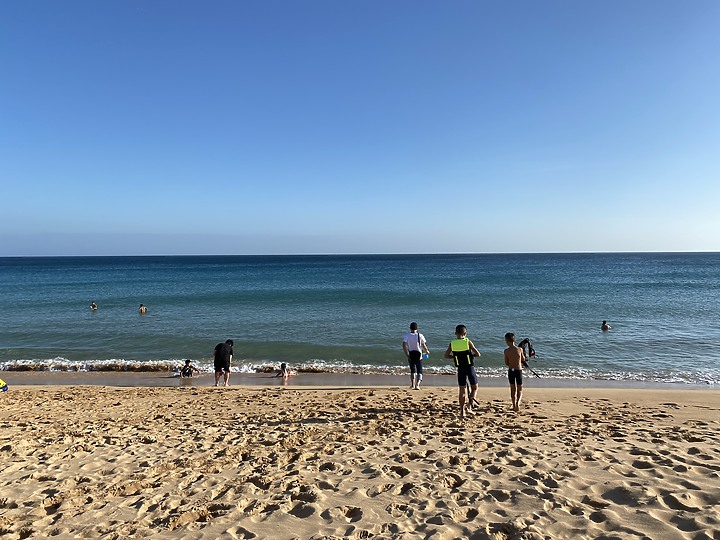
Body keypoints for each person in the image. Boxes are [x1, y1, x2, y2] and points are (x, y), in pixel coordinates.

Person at [444, 325, 481, 418]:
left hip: (460, 368)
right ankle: (469, 406)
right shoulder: (468, 342)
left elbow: (446, 356)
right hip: (469, 367)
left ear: (455, 333)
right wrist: (471, 356)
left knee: (462, 390)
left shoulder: (452, 343)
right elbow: (478, 354)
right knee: (475, 388)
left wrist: (455, 357)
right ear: (465, 333)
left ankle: (462, 411)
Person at [402, 322, 430, 390]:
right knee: (419, 370)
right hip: (418, 354)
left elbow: (404, 345)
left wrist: (406, 354)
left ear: (410, 328)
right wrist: (427, 351)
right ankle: (417, 385)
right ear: (417, 328)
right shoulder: (420, 335)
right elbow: (423, 345)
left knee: (412, 370)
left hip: (411, 354)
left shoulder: (407, 335)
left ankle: (412, 384)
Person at [504, 332, 526, 412]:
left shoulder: (506, 351)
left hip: (511, 371)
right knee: (519, 389)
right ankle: (518, 403)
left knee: (512, 389)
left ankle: (513, 405)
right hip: (518, 370)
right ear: (514, 340)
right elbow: (523, 359)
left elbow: (506, 363)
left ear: (506, 341)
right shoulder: (520, 349)